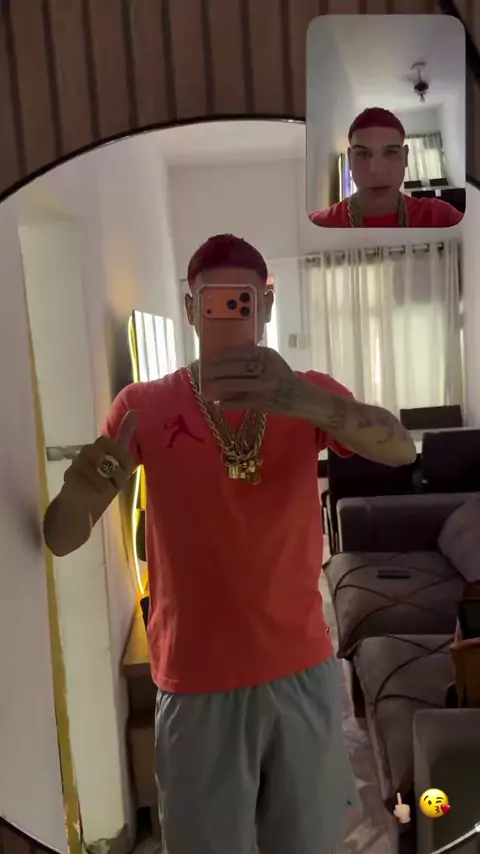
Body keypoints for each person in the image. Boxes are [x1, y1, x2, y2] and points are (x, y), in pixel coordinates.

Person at [43, 234, 417, 854]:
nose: (228, 315)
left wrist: (303, 400)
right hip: (194, 680)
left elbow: (400, 449)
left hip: (301, 669)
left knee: (307, 842)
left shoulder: (309, 392)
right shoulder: (143, 406)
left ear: (265, 305)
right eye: (212, 302)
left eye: (242, 301)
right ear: (190, 309)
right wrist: (85, 485)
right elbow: (60, 538)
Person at [309, 107, 464, 228]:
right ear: (350, 159)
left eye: (391, 152)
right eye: (363, 153)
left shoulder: (441, 217)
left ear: (405, 157)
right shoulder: (317, 225)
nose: (377, 170)